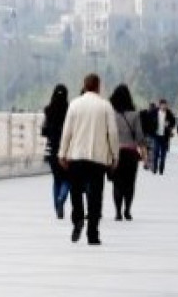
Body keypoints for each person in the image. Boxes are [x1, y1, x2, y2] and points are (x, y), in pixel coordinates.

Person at [58, 73, 119, 246]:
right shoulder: (105, 106)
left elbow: (67, 131)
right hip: (98, 159)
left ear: (84, 86)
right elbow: (113, 134)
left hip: (76, 156)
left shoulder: (74, 105)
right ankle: (93, 233)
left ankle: (78, 218)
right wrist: (115, 156)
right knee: (96, 196)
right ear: (98, 86)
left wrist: (62, 153)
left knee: (76, 191)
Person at [108, 83, 144, 222]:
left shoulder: (111, 115)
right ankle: (127, 210)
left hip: (116, 153)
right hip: (130, 154)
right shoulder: (135, 115)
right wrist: (145, 154)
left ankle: (117, 212)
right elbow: (140, 136)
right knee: (130, 183)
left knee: (117, 183)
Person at [42, 84, 71, 219]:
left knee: (56, 179)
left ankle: (57, 206)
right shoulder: (70, 110)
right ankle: (62, 198)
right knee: (67, 177)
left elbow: (44, 131)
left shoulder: (48, 110)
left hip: (52, 149)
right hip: (67, 149)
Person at [151, 99, 176, 175]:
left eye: (165, 105)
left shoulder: (169, 113)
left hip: (165, 136)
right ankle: (154, 168)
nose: (164, 106)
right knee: (156, 152)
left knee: (163, 154)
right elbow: (149, 121)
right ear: (159, 105)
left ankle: (161, 169)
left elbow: (173, 122)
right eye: (162, 105)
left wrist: (169, 125)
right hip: (156, 135)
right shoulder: (154, 112)